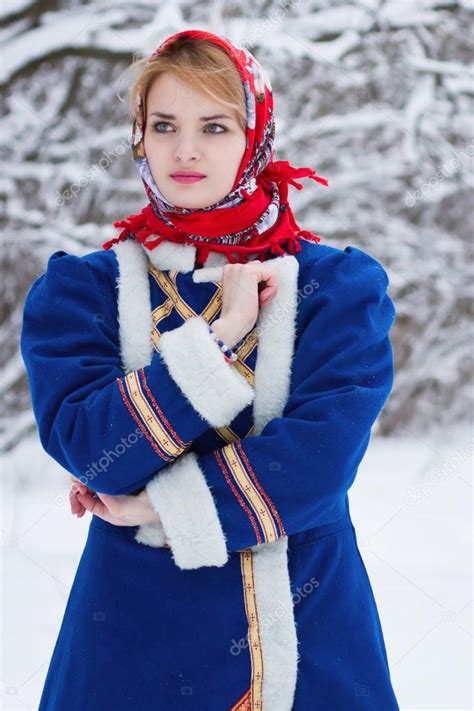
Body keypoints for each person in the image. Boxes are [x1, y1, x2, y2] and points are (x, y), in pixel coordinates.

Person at [20, 29, 400, 711]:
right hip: (128, 648)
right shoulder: (83, 293)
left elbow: (319, 460)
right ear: (139, 136)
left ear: (254, 136)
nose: (185, 150)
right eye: (163, 125)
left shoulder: (336, 291)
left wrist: (157, 507)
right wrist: (217, 338)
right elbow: (94, 449)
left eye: (214, 126)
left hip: (306, 641)